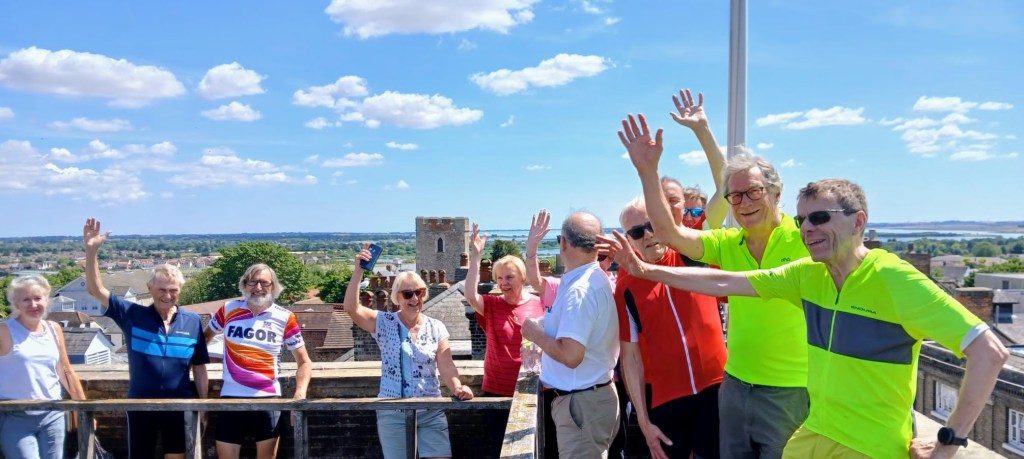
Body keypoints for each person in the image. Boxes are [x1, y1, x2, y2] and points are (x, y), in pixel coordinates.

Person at [603, 178, 1010, 459]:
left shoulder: (893, 278)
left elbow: (989, 352)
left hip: (870, 446)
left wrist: (948, 442)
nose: (808, 229)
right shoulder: (809, 275)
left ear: (859, 221)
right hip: (814, 434)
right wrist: (647, 271)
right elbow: (726, 281)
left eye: (820, 217)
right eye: (802, 220)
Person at [619, 112, 810, 458]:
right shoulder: (726, 243)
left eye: (754, 192)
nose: (744, 203)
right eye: (737, 197)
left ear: (776, 193)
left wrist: (703, 131)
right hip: (734, 385)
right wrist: (647, 171)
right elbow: (670, 232)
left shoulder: (807, 240)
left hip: (786, 388)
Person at [82, 218, 209, 459]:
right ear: (149, 288)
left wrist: (204, 405)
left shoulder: (192, 321)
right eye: (162, 289)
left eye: (173, 290)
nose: (167, 295)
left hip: (180, 407)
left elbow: (200, 367)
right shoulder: (133, 315)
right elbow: (95, 289)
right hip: (140, 406)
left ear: (180, 291)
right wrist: (91, 251)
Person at [615, 197, 727, 459]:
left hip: (717, 389)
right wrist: (643, 422)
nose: (647, 235)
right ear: (629, 239)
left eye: (652, 225)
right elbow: (630, 358)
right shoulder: (626, 288)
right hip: (667, 400)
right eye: (637, 232)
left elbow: (720, 201)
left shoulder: (694, 254)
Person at [343, 243, 473, 459]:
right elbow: (351, 308)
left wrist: (458, 387)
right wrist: (359, 271)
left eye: (420, 292)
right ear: (397, 297)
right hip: (393, 410)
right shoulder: (383, 322)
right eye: (408, 293)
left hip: (430, 409)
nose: (415, 299)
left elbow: (447, 366)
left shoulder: (436, 327)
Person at [520, 212, 620, 459]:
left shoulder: (579, 290)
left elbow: (571, 355)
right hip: (590, 399)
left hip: (581, 405)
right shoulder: (594, 279)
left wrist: (535, 334)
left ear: (563, 243)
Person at [204, 263, 312, 459]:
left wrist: (299, 394)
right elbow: (204, 339)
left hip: (267, 399)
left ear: (273, 286)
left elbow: (304, 362)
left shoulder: (285, 317)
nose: (258, 287)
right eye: (252, 282)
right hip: (231, 398)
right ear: (244, 285)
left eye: (264, 283)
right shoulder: (228, 309)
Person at [464, 224, 545, 457]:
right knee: (499, 449)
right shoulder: (492, 304)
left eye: (509, 277)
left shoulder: (539, 304)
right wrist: (476, 256)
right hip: (496, 390)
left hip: (531, 388)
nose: (503, 282)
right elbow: (470, 295)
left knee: (533, 448)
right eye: (499, 278)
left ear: (523, 277)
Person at [1, 275, 88, 459]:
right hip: (14, 415)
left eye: (38, 298)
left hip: (53, 413)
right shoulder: (4, 331)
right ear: (16, 303)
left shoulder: (54, 329)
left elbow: (66, 371)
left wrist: (83, 411)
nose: (33, 304)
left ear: (46, 300)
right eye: (26, 299)